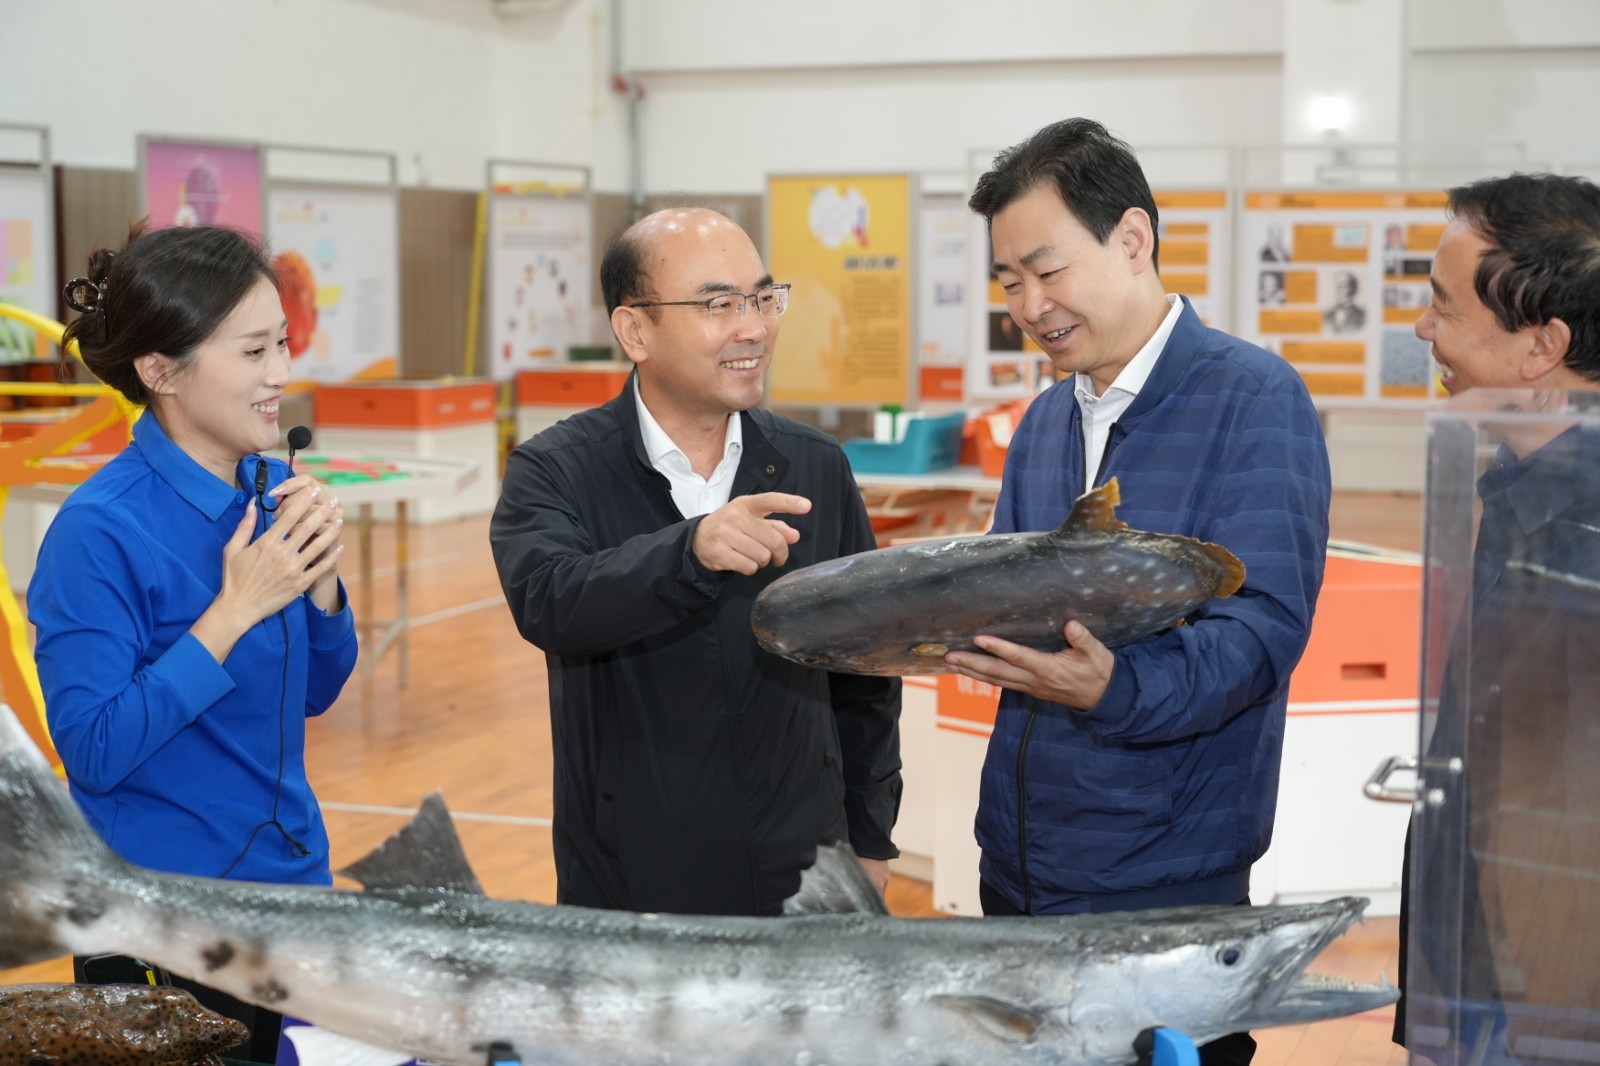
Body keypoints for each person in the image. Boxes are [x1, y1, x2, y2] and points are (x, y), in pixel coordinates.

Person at [947, 118, 1331, 1066]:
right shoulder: (1044, 422)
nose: (1029, 306)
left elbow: (1260, 631)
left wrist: (1115, 688)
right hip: (1019, 867)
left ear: (1131, 238)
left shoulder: (1254, 399)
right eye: (1008, 282)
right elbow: (1010, 593)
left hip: (1162, 886)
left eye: (1047, 270)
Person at [489, 208, 902, 918]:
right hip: (634, 876)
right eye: (719, 305)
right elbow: (550, 601)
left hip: (805, 871)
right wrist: (691, 550)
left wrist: (870, 835)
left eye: (763, 298)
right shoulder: (556, 470)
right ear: (635, 331)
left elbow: (863, 670)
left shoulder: (813, 466)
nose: (754, 327)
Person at [27, 224, 357, 1062]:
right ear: (160, 371)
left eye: (281, 343)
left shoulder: (270, 491)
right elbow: (93, 750)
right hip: (159, 925)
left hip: (292, 896)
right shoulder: (97, 531)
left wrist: (320, 582)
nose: (280, 373)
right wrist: (233, 610)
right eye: (253, 351)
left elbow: (317, 691)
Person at [1395, 172, 1600, 1063]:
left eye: (1445, 306)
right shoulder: (1519, 495)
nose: (1423, 330)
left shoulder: (1584, 530)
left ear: (1541, 346)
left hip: (1550, 1002)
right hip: (1479, 967)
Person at [1322, 269, 1367, 334]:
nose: (1340, 290)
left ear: (1353, 289)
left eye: (1344, 286)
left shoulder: (1362, 315)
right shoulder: (1327, 315)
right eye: (1338, 286)